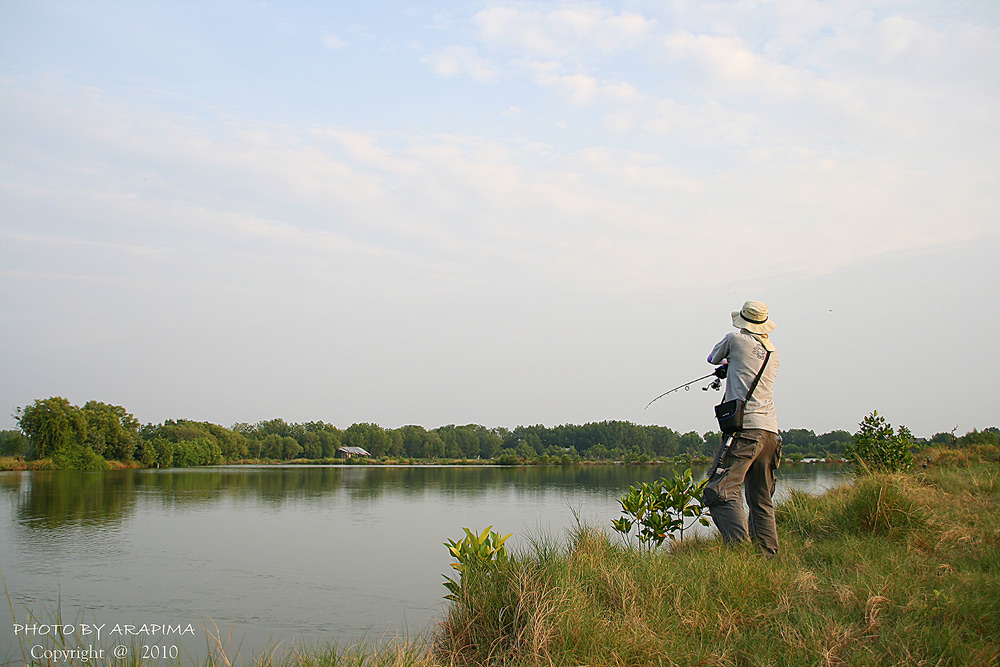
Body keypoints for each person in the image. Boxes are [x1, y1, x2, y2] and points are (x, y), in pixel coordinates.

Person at [703, 300, 781, 555]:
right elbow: (749, 370)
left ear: (743, 321)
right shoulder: (772, 353)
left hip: (745, 431)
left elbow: (712, 357)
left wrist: (725, 366)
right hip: (770, 433)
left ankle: (740, 555)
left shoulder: (734, 339)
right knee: (761, 500)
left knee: (719, 491)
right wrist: (733, 368)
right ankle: (768, 557)